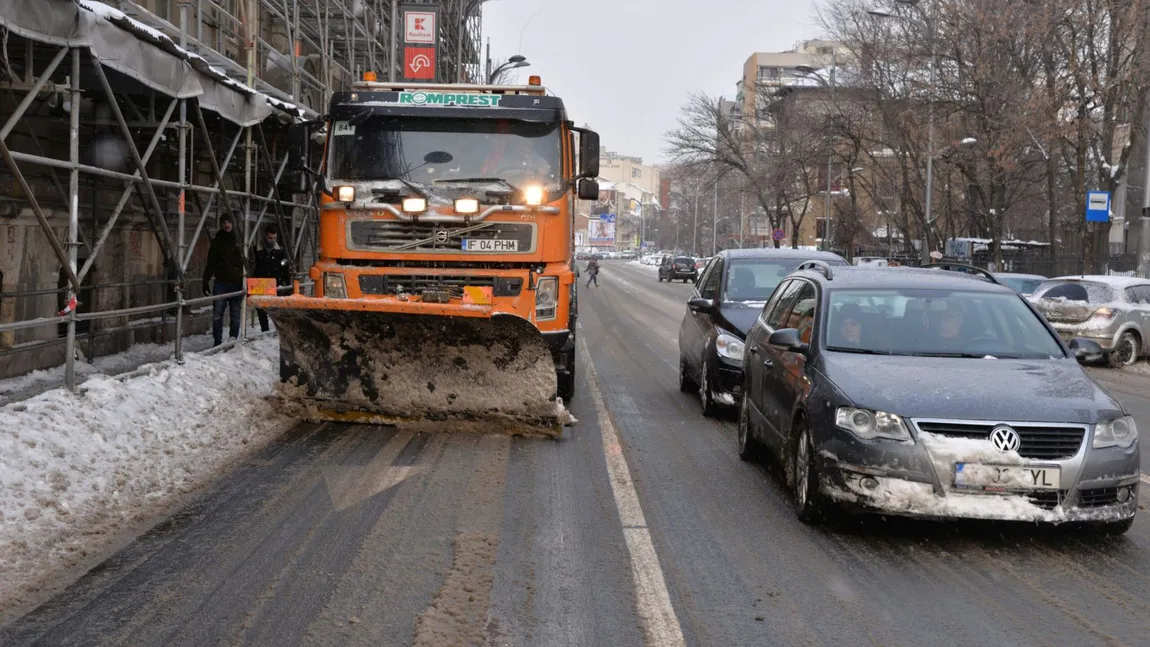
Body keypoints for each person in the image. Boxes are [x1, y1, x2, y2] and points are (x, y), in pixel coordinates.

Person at [203, 214, 245, 346]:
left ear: (234, 223)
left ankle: (232, 340)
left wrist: (248, 281)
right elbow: (211, 262)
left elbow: (248, 262)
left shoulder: (240, 239)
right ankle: (217, 342)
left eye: (229, 222)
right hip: (221, 282)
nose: (227, 225)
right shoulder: (218, 241)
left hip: (236, 282)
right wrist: (205, 280)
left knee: (236, 314)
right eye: (224, 222)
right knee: (217, 314)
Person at [251, 224, 291, 333]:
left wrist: (287, 284)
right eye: (270, 238)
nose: (272, 241)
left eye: (274, 238)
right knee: (261, 310)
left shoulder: (280, 251)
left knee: (275, 309)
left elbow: (285, 268)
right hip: (260, 282)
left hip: (275, 283)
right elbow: (252, 266)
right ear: (264, 236)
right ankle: (265, 330)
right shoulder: (255, 250)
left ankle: (275, 330)